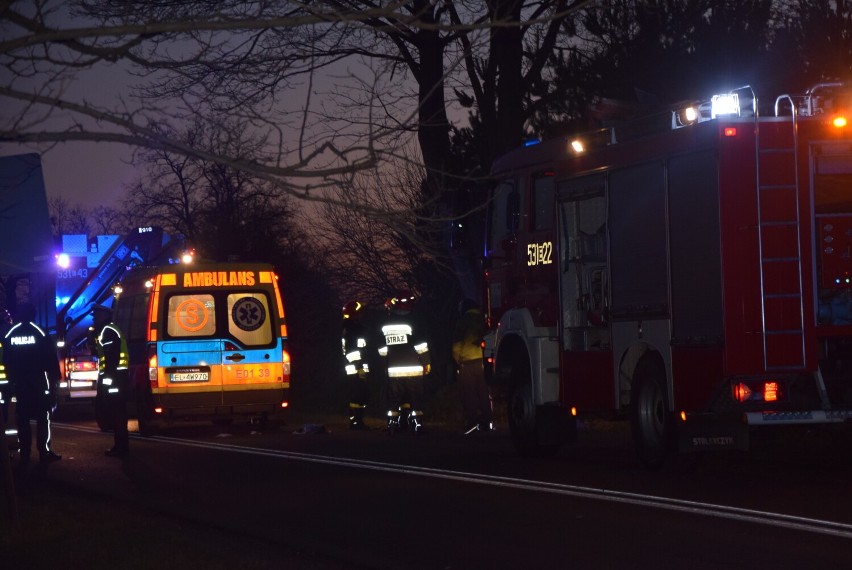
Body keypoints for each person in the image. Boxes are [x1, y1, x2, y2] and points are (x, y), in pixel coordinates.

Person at [2, 302, 62, 466]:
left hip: (20, 384)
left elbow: (5, 359)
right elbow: (50, 358)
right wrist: (56, 378)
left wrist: (11, 380)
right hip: (39, 382)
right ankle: (44, 452)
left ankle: (25, 454)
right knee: (43, 418)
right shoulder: (41, 332)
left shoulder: (10, 334)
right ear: (33, 315)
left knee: (23, 420)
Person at [378, 290, 430, 434]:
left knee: (394, 399)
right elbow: (421, 346)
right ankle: (417, 424)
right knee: (415, 398)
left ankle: (392, 425)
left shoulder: (386, 324)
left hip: (394, 370)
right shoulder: (413, 322)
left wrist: (385, 365)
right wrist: (427, 362)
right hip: (414, 369)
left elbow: (382, 349)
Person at [92, 304, 130, 457]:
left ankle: (121, 447)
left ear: (103, 315)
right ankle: (121, 446)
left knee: (117, 414)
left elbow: (110, 359)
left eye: (96, 316)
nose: (94, 319)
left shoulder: (108, 331)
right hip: (117, 378)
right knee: (118, 414)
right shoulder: (109, 330)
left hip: (115, 380)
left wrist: (106, 382)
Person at [452, 299, 493, 434]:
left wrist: (458, 360)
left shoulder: (463, 321)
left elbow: (457, 344)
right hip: (482, 360)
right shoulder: (483, 319)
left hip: (467, 361)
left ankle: (472, 421)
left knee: (469, 393)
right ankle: (488, 421)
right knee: (483, 392)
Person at [342, 300, 371, 430]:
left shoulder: (349, 326)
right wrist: (359, 367)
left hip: (357, 365)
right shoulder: (351, 328)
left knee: (361, 393)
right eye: (359, 313)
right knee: (357, 394)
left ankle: (358, 421)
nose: (361, 315)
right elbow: (352, 350)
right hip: (355, 366)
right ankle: (355, 422)